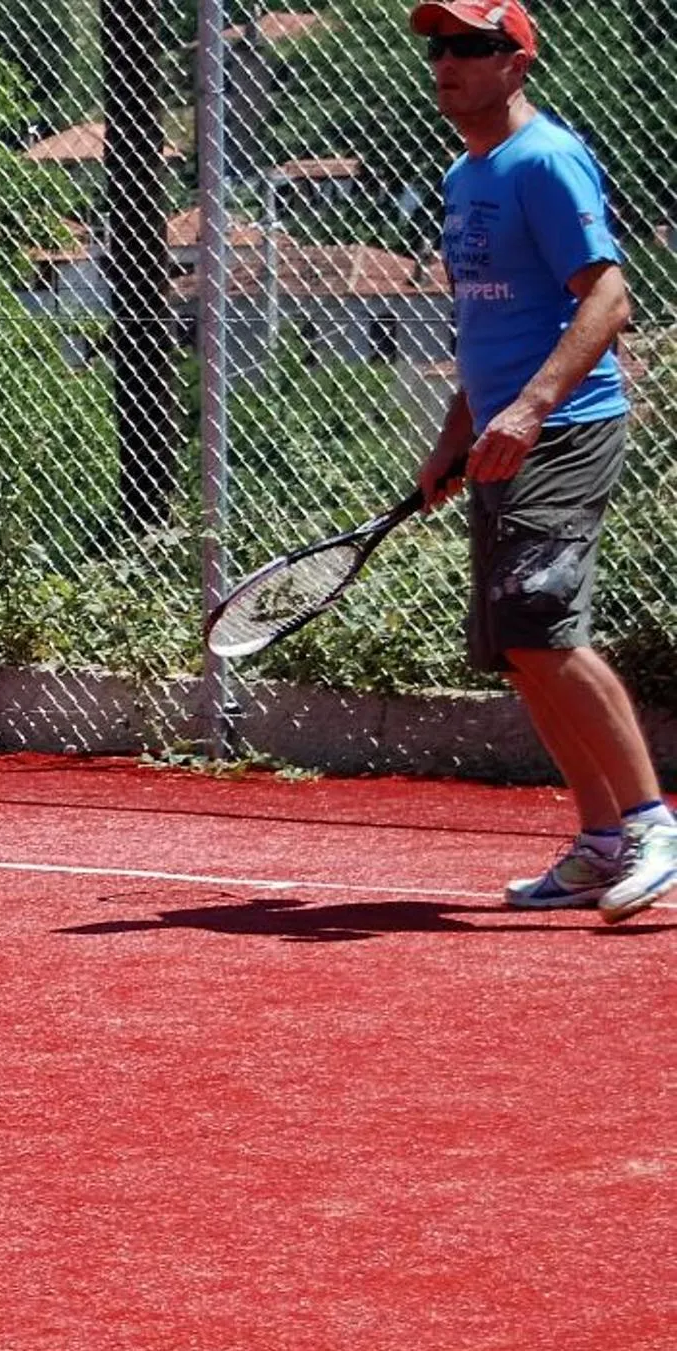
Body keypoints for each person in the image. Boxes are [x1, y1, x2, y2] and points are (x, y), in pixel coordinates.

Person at [406, 0, 668, 920]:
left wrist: (529, 407)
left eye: (471, 47)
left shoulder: (545, 160)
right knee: (520, 648)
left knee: (543, 621)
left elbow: (609, 300)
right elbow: (487, 325)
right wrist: (452, 439)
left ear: (516, 63)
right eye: (439, 47)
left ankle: (652, 825)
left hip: (562, 429)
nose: (447, 62)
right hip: (500, 435)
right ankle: (600, 844)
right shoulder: (463, 174)